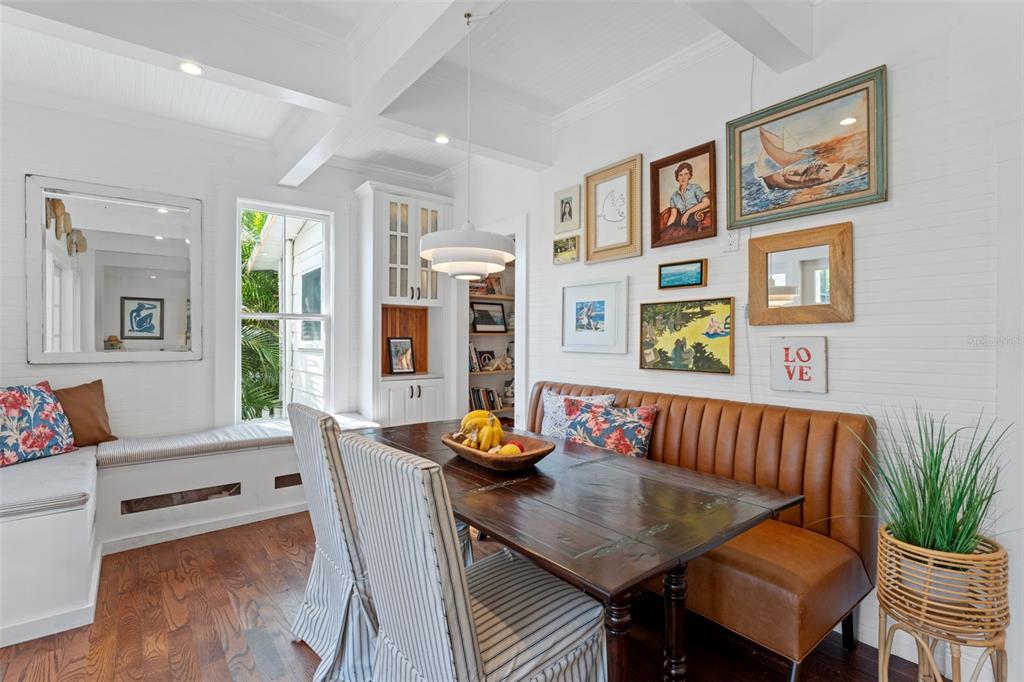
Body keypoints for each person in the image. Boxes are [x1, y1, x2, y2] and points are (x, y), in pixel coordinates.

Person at [663, 162, 710, 230]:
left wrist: (688, 212)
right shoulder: (674, 196)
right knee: (671, 230)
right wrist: (666, 230)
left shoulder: (695, 188)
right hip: (682, 220)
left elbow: (707, 202)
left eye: (686, 174)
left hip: (694, 215)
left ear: (690, 176)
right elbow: (673, 216)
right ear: (677, 177)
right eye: (680, 175)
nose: (683, 177)